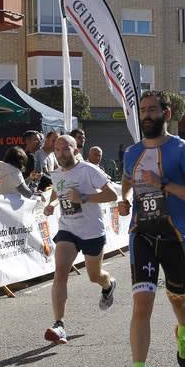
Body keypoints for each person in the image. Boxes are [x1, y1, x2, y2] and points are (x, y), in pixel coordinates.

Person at [118, 90, 185, 367]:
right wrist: (123, 200)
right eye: (142, 110)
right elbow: (128, 183)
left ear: (166, 113)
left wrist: (164, 185)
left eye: (152, 110)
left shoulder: (183, 150)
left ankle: (183, 332)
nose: (147, 115)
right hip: (142, 235)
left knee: (178, 300)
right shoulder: (131, 152)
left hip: (175, 238)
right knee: (141, 304)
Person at [42, 135, 118, 344]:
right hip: (68, 229)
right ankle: (59, 324)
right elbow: (59, 193)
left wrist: (84, 197)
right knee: (60, 273)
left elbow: (111, 195)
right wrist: (52, 205)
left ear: (76, 151)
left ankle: (108, 284)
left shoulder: (88, 170)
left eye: (66, 149)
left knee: (94, 276)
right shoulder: (56, 174)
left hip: (92, 231)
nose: (61, 153)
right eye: (57, 149)